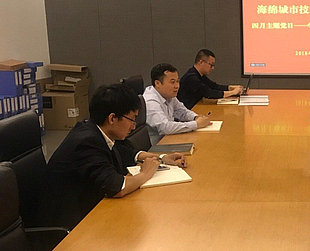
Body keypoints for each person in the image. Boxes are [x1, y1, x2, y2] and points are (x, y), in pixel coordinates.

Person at [41, 84, 187, 229]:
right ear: (112, 118)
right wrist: (145, 173)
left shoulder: (98, 131)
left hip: (88, 208)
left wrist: (161, 158)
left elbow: (125, 153)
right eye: (132, 119)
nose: (134, 126)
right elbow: (117, 187)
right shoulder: (87, 142)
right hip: (69, 225)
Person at [143, 63, 211, 145]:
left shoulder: (168, 94)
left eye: (177, 81)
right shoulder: (150, 102)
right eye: (172, 82)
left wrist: (196, 117)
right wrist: (196, 124)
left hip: (171, 138)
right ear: (157, 83)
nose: (177, 86)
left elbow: (182, 111)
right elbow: (165, 128)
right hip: (158, 146)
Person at [177, 49, 244, 109]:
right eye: (211, 65)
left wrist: (230, 87)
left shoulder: (200, 75)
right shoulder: (191, 77)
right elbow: (209, 93)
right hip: (187, 111)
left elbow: (214, 86)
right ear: (200, 62)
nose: (212, 68)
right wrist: (233, 92)